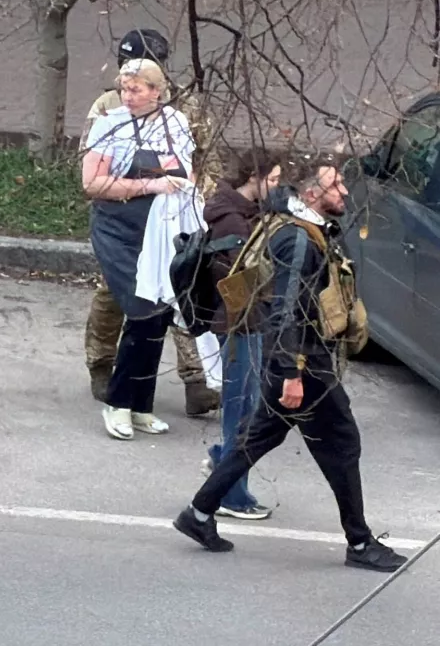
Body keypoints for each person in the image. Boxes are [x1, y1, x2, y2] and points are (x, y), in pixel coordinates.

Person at [173, 163, 408, 572]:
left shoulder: (295, 227)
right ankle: (359, 543)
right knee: (343, 443)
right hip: (303, 361)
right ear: (312, 192)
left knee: (258, 437)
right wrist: (292, 374)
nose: (345, 194)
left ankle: (198, 514)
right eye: (337, 186)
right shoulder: (299, 241)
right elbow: (286, 312)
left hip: (286, 357)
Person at [82, 29, 220, 417]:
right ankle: (101, 364)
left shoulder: (183, 104)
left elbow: (203, 153)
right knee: (115, 293)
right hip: (124, 217)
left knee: (177, 286)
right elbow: (92, 167)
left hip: (171, 215)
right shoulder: (109, 107)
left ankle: (195, 379)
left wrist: (198, 200)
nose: (130, 88)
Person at [198, 148, 282, 520]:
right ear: (255, 178)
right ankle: (232, 495)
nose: (277, 188)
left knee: (247, 404)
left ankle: (222, 461)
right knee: (241, 409)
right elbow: (235, 282)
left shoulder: (247, 213)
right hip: (237, 323)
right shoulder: (233, 222)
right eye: (274, 180)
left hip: (249, 321)